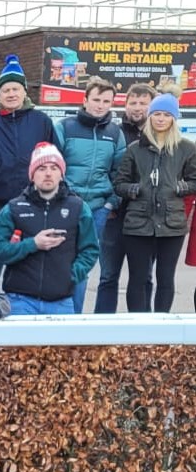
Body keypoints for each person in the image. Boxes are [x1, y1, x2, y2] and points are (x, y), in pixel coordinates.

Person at [0, 143, 98, 315]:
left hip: (62, 302)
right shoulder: (14, 208)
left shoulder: (78, 208)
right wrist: (32, 244)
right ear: (32, 175)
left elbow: (90, 250)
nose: (48, 173)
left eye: (54, 168)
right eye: (41, 168)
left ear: (61, 174)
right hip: (20, 300)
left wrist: (71, 275)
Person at [112, 93, 196, 313]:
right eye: (157, 114)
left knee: (165, 278)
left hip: (172, 224)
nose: (160, 119)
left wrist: (180, 187)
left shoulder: (186, 148)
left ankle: (162, 325)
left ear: (173, 119)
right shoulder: (134, 149)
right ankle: (138, 326)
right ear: (150, 117)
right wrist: (134, 189)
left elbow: (194, 180)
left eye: (166, 115)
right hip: (138, 222)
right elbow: (119, 183)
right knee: (138, 277)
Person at [0, 54, 56, 241]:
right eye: (6, 90)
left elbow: (56, 163)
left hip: (34, 203)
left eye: (16, 89)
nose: (11, 94)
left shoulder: (42, 122)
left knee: (29, 263)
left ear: (24, 92)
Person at [54, 76, 125, 310]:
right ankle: (60, 313)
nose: (101, 105)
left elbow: (121, 173)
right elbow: (54, 165)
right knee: (60, 259)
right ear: (85, 100)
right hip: (65, 205)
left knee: (83, 264)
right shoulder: (65, 127)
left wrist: (110, 204)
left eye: (106, 101)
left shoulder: (115, 133)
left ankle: (76, 317)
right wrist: (63, 196)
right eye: (96, 99)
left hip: (97, 209)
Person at [95, 82, 157, 313]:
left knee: (144, 278)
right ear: (125, 104)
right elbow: (106, 170)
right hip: (115, 216)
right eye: (133, 102)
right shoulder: (112, 132)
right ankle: (102, 330)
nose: (137, 107)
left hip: (146, 220)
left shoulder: (161, 137)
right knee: (108, 277)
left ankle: (144, 331)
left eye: (143, 103)